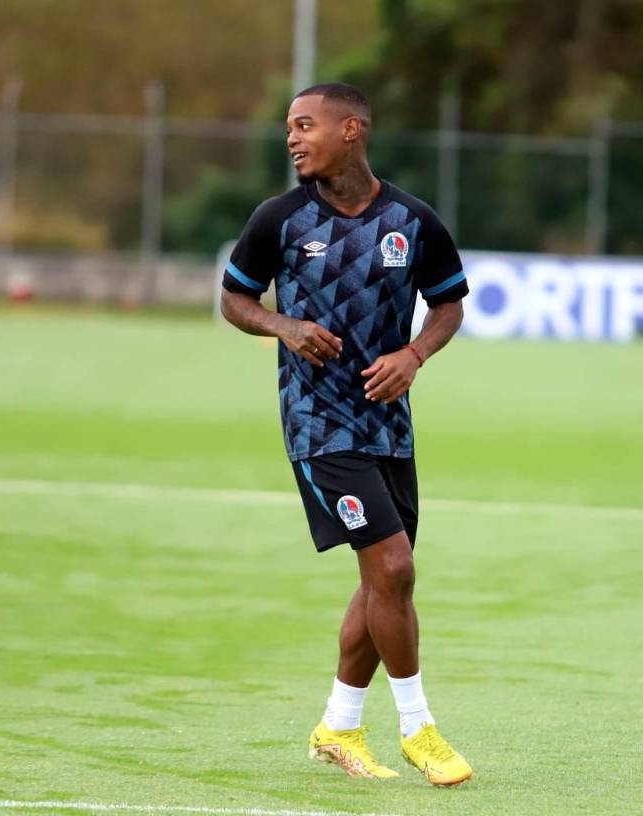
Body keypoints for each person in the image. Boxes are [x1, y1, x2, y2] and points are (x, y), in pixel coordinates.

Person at [220, 83, 472, 786]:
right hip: (318, 423)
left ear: (351, 130)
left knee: (378, 584)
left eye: (305, 126)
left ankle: (337, 724)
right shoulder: (280, 218)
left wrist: (414, 355)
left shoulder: (413, 220)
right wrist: (284, 325)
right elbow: (234, 298)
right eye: (289, 128)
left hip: (388, 427)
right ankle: (419, 729)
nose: (293, 139)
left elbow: (449, 305)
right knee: (393, 571)